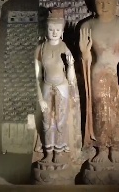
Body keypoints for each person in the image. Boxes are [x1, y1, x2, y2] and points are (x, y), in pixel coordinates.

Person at [79, 0, 119, 163]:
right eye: (100, 2)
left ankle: (116, 147)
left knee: (118, 109)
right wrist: (84, 53)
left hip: (118, 75)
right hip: (97, 75)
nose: (104, 6)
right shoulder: (87, 26)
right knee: (100, 110)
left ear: (116, 4)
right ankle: (102, 148)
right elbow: (86, 60)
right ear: (92, 3)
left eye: (108, 2)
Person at [34, 9, 75, 163]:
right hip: (46, 87)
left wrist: (71, 66)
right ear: (46, 30)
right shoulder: (40, 48)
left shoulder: (65, 48)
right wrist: (40, 99)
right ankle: (48, 152)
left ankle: (58, 152)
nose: (54, 32)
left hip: (62, 88)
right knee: (47, 121)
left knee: (60, 121)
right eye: (51, 29)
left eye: (57, 29)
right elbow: (37, 76)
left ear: (62, 31)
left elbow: (71, 79)